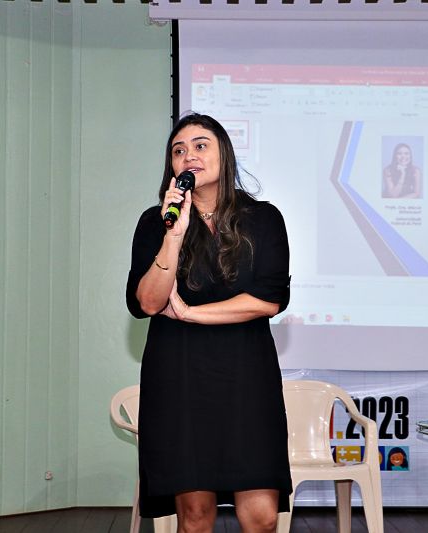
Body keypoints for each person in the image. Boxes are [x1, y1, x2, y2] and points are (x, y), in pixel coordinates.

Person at [126, 113, 292, 533]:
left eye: (201, 145)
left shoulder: (263, 218)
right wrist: (174, 234)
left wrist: (190, 313)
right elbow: (147, 302)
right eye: (178, 150)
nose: (189, 156)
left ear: (224, 155)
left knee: (262, 517)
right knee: (195, 517)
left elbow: (268, 300)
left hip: (246, 375)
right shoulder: (155, 222)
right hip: (179, 375)